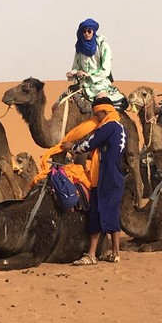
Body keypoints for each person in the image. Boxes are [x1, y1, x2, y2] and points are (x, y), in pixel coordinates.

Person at [62, 95, 126, 265]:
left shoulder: (108, 126)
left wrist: (72, 147)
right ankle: (115, 253)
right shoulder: (120, 127)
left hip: (105, 176)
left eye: (97, 115)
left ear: (104, 112)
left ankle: (91, 254)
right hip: (115, 176)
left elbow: (89, 143)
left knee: (96, 211)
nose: (95, 118)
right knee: (112, 212)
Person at [67, 18, 117, 103]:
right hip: (82, 85)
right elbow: (76, 67)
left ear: (93, 31)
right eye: (84, 31)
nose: (86, 34)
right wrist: (73, 73)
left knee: (102, 106)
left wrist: (88, 74)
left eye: (89, 31)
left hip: (99, 84)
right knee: (60, 104)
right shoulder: (79, 48)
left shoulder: (103, 46)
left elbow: (105, 70)